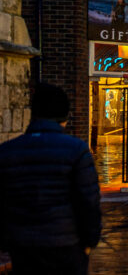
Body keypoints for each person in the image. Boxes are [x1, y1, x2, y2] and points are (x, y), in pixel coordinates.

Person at [0, 82, 101, 275]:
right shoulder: (77, 151)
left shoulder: (6, 151)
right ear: (64, 117)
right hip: (66, 245)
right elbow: (88, 202)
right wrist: (89, 241)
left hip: (23, 246)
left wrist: (7, 241)